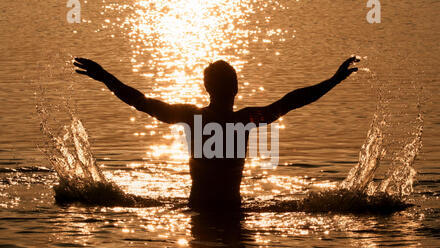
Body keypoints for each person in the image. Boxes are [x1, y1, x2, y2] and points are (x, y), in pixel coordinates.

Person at [73, 56, 359, 210]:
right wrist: (333, 80)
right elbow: (291, 102)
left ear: (208, 89)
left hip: (198, 210)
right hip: (230, 211)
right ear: (235, 89)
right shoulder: (246, 120)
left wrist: (105, 77)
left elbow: (142, 102)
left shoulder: (192, 117)